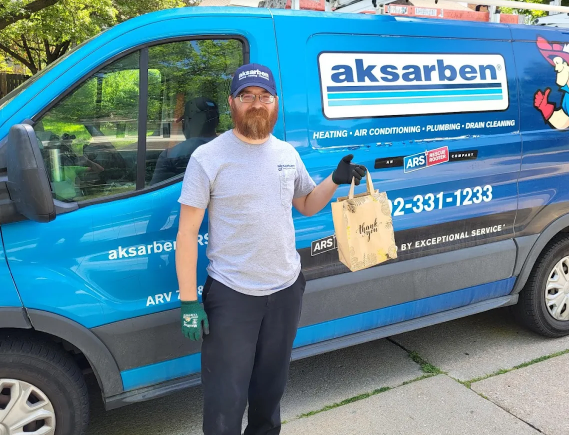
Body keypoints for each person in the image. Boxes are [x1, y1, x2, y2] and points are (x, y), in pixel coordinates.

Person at [175, 63, 366, 435]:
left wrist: (334, 180)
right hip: (232, 295)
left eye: (264, 96)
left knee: (269, 394)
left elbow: (306, 204)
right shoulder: (208, 158)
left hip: (285, 290)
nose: (256, 104)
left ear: (275, 102)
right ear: (232, 102)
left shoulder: (286, 153)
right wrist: (188, 302)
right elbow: (186, 233)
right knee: (225, 401)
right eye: (247, 96)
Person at [150, 97, 220, 185]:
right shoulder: (228, 151)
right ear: (217, 122)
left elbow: (157, 191)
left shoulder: (169, 156)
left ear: (186, 122)